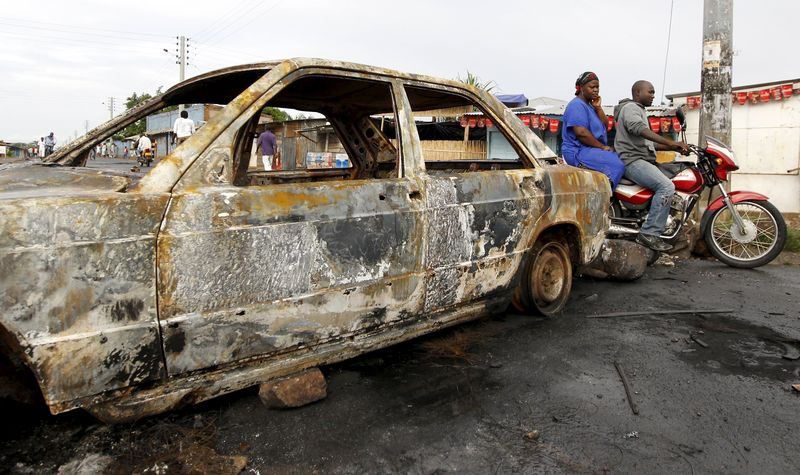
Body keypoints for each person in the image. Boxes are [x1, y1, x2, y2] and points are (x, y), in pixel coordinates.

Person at [614, 80, 689, 252]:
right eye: (650, 92)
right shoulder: (631, 108)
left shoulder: (639, 110)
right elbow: (638, 129)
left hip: (642, 159)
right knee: (666, 186)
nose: (653, 95)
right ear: (638, 92)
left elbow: (648, 143)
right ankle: (649, 233)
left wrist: (674, 145)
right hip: (633, 161)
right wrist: (670, 141)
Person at [561, 71, 625, 189]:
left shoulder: (591, 106)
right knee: (617, 165)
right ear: (581, 88)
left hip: (590, 149)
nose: (596, 90)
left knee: (622, 157)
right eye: (592, 87)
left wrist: (598, 108)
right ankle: (605, 197)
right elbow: (581, 133)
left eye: (597, 87)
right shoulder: (576, 105)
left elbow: (606, 126)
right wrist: (602, 147)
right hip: (578, 151)